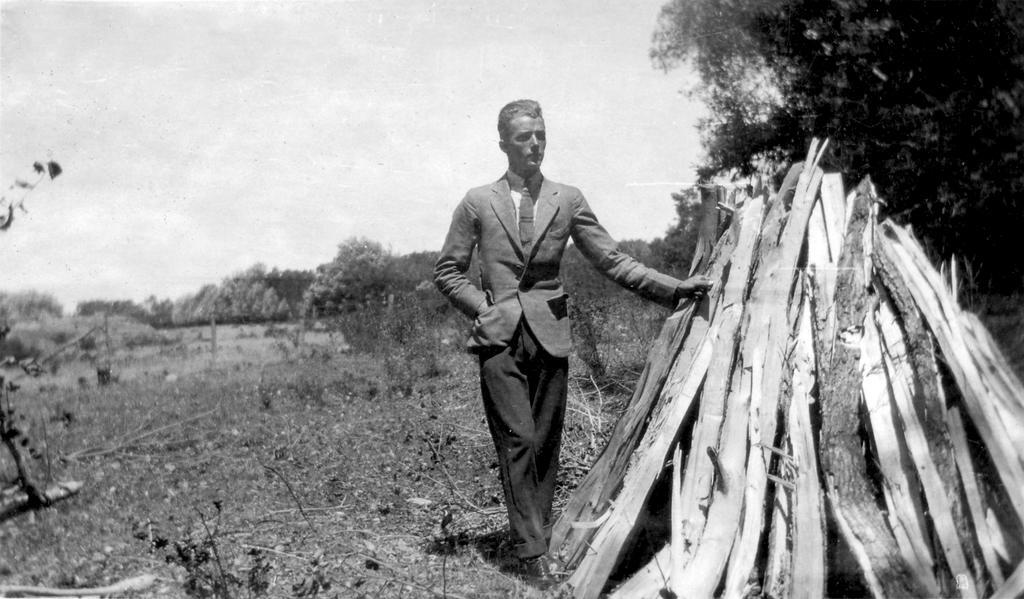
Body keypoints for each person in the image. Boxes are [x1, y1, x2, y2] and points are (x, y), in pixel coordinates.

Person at [433, 99, 713, 583]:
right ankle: (531, 552)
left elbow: (612, 260)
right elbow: (447, 270)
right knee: (518, 439)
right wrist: (484, 307)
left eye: (540, 134)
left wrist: (672, 288)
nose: (535, 144)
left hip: (550, 335)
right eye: (523, 137)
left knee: (543, 445)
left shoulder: (568, 198)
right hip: (499, 339)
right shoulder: (478, 201)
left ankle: (535, 537)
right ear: (504, 144)